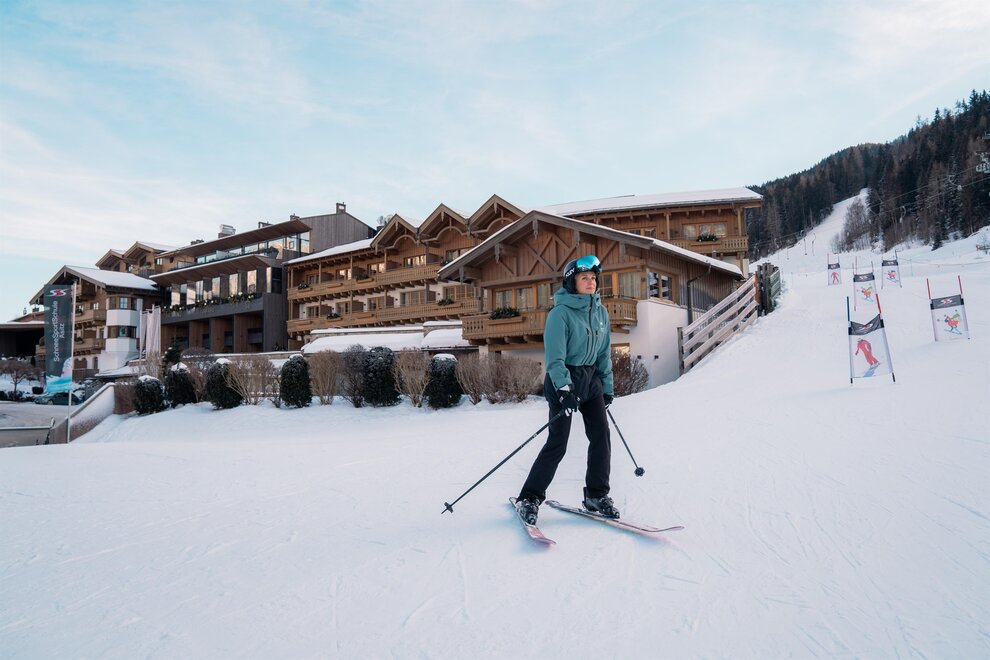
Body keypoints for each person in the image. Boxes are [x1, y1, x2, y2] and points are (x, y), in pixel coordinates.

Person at [515, 255, 618, 524]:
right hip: (565, 380)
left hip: (591, 380)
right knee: (557, 443)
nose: (591, 282)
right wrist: (564, 388)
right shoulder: (560, 314)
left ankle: (596, 494)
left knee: (601, 436)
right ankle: (529, 497)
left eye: (593, 278)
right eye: (584, 278)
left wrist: (607, 387)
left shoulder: (601, 312)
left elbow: (604, 354)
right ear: (572, 282)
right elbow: (554, 358)